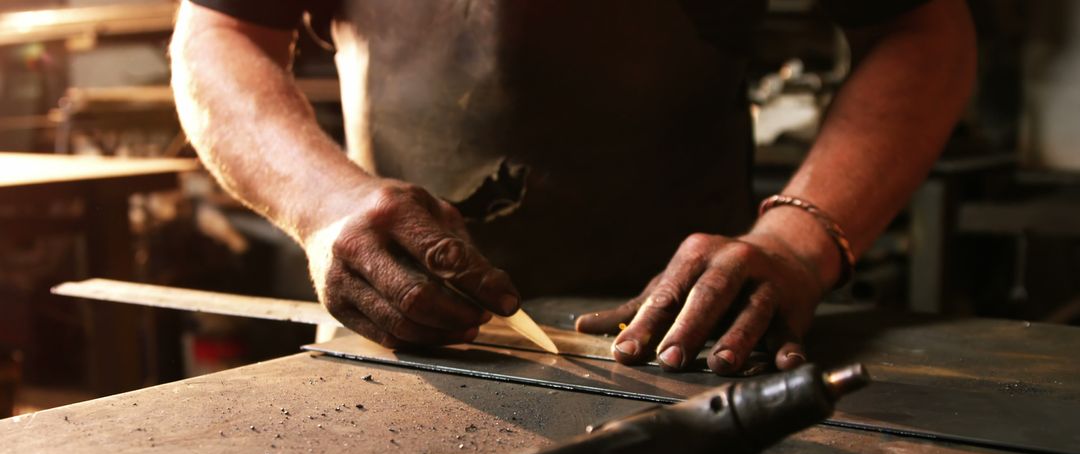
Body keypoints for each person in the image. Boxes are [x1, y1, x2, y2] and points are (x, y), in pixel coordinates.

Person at [170, 0, 975, 375]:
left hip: (697, 346)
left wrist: (797, 242)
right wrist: (322, 202)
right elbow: (218, 27)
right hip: (401, 331)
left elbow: (922, 26)